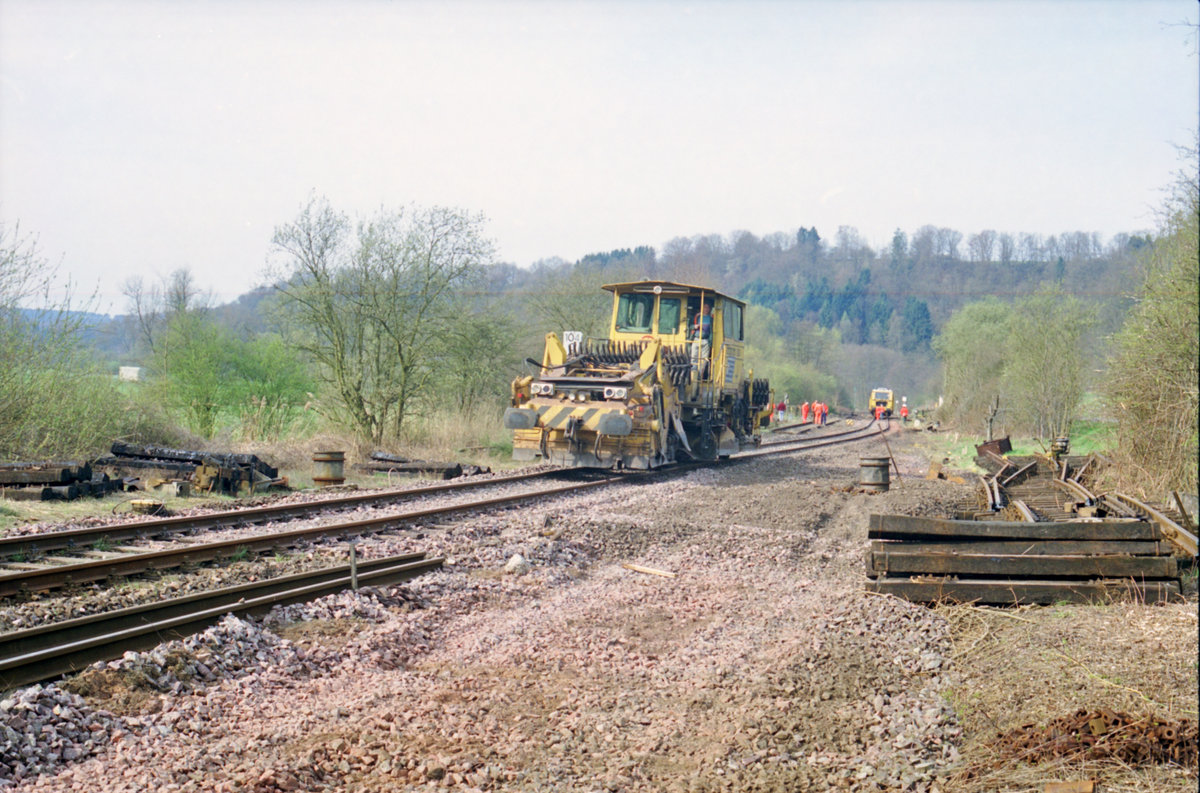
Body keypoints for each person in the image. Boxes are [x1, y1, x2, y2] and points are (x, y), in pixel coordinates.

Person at [690, 301, 713, 379]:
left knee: (704, 359)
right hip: (696, 339)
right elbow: (690, 326)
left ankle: (699, 375)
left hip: (705, 340)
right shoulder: (697, 317)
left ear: (709, 309)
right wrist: (694, 326)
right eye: (704, 307)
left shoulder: (711, 318)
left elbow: (712, 331)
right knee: (693, 357)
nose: (706, 309)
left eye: (707, 307)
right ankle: (693, 374)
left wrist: (710, 342)